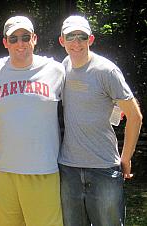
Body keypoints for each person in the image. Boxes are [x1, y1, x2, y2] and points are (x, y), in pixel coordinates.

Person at [58, 15, 143, 226]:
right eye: (71, 37)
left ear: (91, 39)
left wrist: (126, 158)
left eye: (82, 37)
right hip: (68, 169)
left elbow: (134, 116)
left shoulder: (107, 71)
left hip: (104, 168)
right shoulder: (63, 67)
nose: (76, 43)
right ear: (62, 40)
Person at [0, 15, 64, 226]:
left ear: (34, 39)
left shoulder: (56, 70)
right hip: (4, 170)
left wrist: (115, 109)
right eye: (14, 38)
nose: (20, 43)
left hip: (43, 170)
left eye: (25, 37)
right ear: (5, 42)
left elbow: (83, 97)